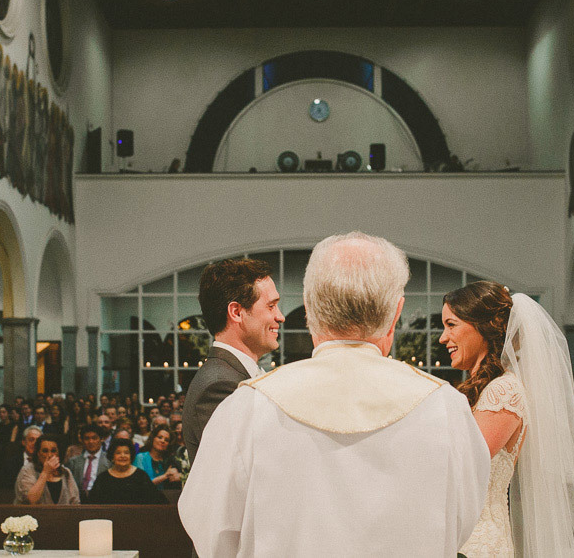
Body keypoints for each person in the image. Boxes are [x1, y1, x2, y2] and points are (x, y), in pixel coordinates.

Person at [179, 232, 489, 557]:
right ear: (396, 313)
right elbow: (462, 522)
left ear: (309, 308)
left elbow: (211, 532)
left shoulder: (246, 408)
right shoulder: (445, 406)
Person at [441, 282, 574, 556]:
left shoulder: (503, 390)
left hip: (478, 544)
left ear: (483, 327)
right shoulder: (484, 389)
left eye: (451, 325)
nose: (443, 337)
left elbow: (461, 463)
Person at [183, 257, 285, 464]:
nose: (280, 317)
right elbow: (248, 468)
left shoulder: (230, 374)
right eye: (271, 306)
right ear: (237, 312)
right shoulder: (219, 386)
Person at [89, 438, 165, 504]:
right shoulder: (103, 478)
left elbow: (154, 500)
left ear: (131, 456)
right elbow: (93, 503)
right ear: (112, 457)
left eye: (126, 453)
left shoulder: (141, 476)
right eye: (118, 453)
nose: (123, 456)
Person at [14, 434, 80, 505]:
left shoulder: (66, 472)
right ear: (38, 453)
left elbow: (75, 501)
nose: (49, 455)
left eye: (53, 451)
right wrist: (45, 472)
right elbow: (31, 500)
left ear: (58, 453)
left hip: (63, 515)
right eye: (45, 451)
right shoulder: (27, 470)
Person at [67, 424, 110, 502]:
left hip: (102, 501)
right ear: (82, 440)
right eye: (87, 438)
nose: (91, 442)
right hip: (79, 501)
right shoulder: (73, 461)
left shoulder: (109, 461)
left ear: (101, 439)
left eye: (94, 438)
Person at [133, 425, 180, 490]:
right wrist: (165, 476)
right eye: (160, 437)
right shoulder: (141, 457)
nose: (163, 441)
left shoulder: (169, 461)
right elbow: (142, 485)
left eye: (166, 440)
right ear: (153, 438)